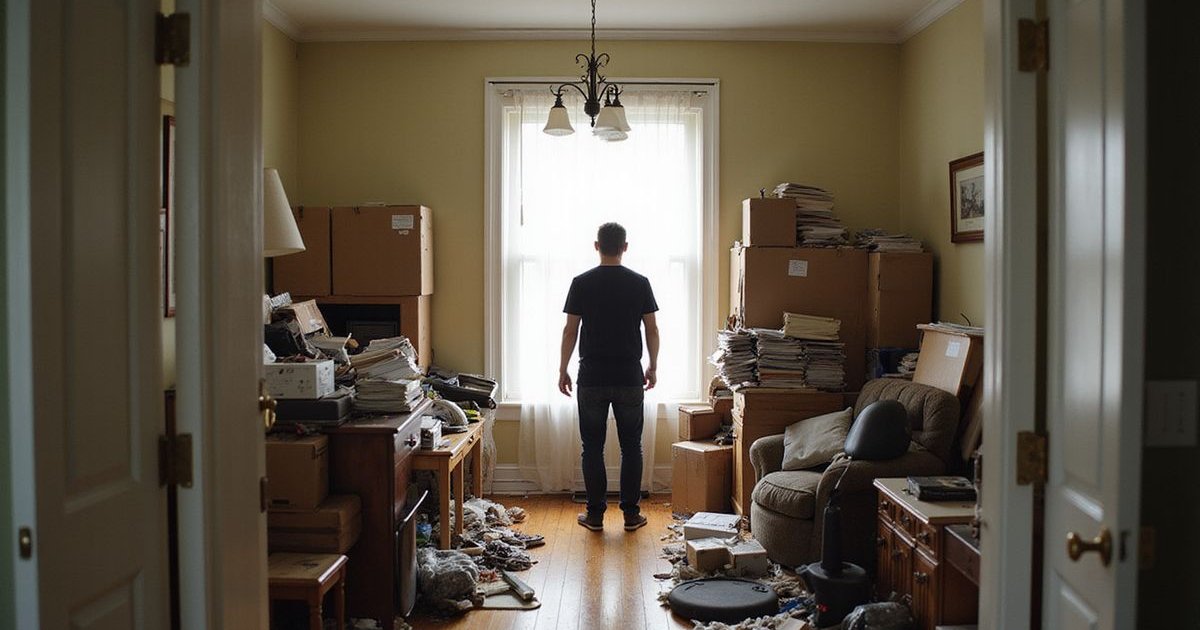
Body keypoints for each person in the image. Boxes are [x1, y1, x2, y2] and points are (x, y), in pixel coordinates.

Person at [559, 222, 660, 532]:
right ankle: (631, 515)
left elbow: (570, 330)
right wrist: (653, 366)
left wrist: (562, 369)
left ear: (596, 246)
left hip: (591, 377)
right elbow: (652, 330)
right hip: (629, 375)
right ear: (624, 247)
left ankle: (595, 516)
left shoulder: (581, 282)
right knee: (632, 446)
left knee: (592, 447)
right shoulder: (640, 283)